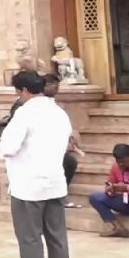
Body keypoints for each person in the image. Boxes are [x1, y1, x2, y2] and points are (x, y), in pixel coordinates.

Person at [0, 70, 72, 258]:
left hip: (28, 187)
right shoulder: (60, 112)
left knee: (30, 240)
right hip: (55, 183)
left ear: (23, 91)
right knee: (57, 238)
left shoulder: (24, 113)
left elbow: (8, 147)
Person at [43, 73, 84, 208]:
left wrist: (70, 138)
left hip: (57, 148)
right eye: (51, 84)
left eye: (57, 85)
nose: (55, 87)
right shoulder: (33, 105)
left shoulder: (55, 106)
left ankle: (61, 194)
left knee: (70, 162)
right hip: (41, 149)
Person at [88, 143, 129, 237]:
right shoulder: (116, 167)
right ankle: (119, 228)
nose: (121, 164)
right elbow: (109, 183)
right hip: (125, 202)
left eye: (124, 161)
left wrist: (126, 187)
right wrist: (110, 190)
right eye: (118, 162)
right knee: (95, 197)